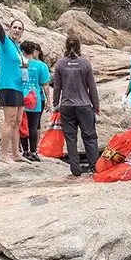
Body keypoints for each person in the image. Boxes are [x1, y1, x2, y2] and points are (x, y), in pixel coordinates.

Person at [52, 33, 100, 178]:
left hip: (66, 106)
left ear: (66, 45)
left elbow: (57, 87)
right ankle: (93, 167)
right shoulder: (85, 63)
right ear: (79, 46)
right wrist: (96, 108)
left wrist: (55, 104)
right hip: (84, 105)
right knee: (90, 137)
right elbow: (92, 88)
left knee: (71, 138)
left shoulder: (60, 64)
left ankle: (75, 169)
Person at [0, 8, 26, 163]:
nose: (17, 30)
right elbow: (0, 31)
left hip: (19, 86)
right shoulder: (5, 43)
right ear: (10, 29)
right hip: (8, 85)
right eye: (14, 27)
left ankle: (16, 153)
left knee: (17, 121)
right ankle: (3, 154)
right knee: (9, 120)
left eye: (19, 28)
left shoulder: (18, 48)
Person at [19, 41, 52, 162]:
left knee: (23, 125)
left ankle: (25, 150)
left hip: (21, 97)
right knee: (33, 126)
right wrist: (49, 101)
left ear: (23, 51)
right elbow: (45, 85)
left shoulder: (21, 64)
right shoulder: (41, 65)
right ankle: (33, 152)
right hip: (35, 98)